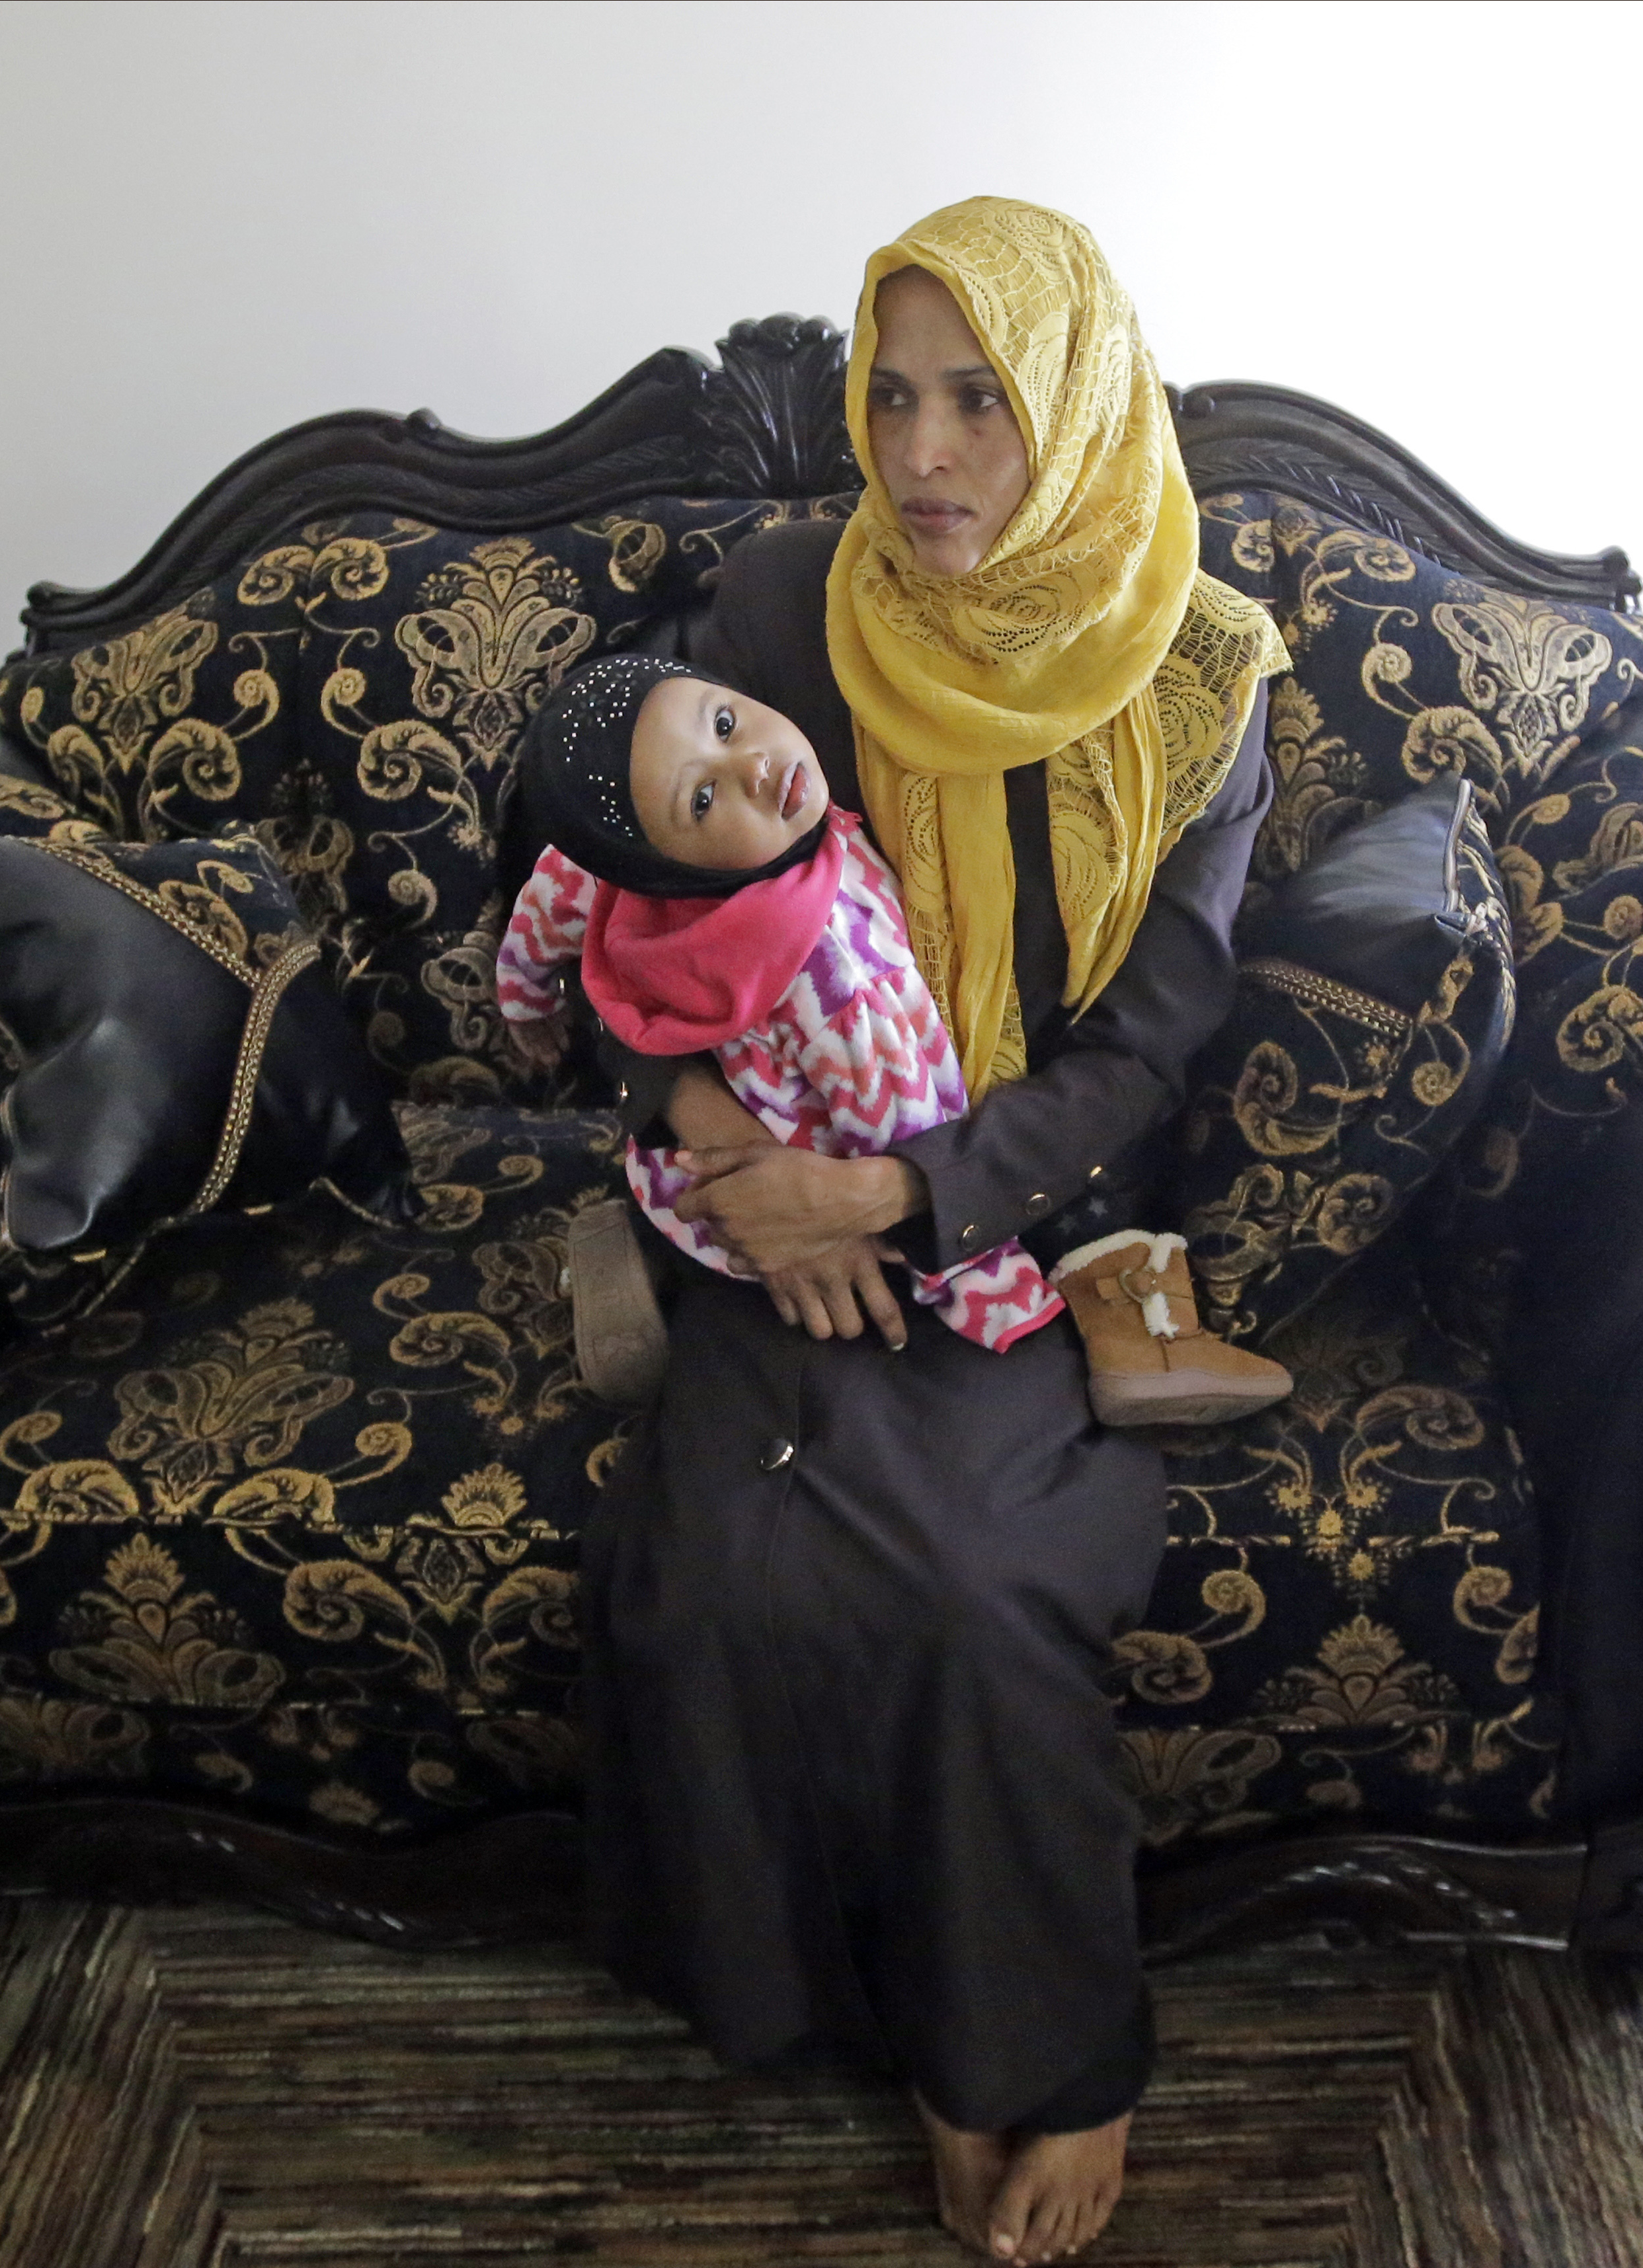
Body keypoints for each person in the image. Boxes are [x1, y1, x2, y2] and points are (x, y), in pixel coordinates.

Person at [579, 197, 1287, 2265]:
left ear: (1071, 407)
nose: (921, 454)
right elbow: (645, 910)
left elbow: (1150, 1047)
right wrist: (727, 1154)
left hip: (1025, 1213)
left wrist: (895, 1193)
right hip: (760, 1186)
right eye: (891, 399)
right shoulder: (789, 603)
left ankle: (1050, 2060)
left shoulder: (1199, 681)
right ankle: (856, 2013)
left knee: (974, 1585)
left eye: (978, 400)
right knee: (710, 1559)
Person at [493, 652, 1290, 1417]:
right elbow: (905, 1122)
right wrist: (1001, 1301)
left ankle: (636, 1242)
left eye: (727, 722)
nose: (753, 768)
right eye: (702, 800)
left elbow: (549, 905)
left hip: (677, 1169)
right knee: (854, 1310)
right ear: (655, 860)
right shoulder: (838, 973)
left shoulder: (606, 867)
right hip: (796, 1192)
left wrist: (527, 1006)